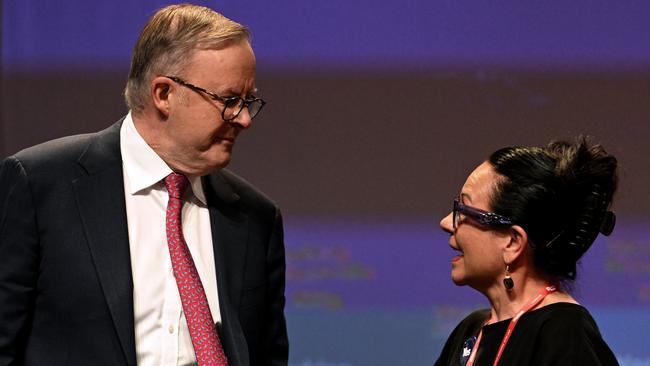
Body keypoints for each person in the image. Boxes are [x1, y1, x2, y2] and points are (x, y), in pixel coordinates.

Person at [0, 4, 288, 366]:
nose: (244, 119)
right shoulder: (40, 185)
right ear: (164, 93)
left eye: (248, 101)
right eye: (229, 100)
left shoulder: (255, 217)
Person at [434, 137, 619, 366]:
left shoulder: (565, 333)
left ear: (512, 242)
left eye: (464, 210)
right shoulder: (472, 330)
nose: (446, 223)